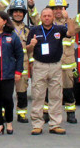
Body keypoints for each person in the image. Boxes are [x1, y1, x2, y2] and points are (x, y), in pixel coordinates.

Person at [0, 0, 40, 123]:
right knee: (5, 93)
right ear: (11, 13)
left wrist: (32, 7)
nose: (18, 14)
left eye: (21, 12)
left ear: (24, 14)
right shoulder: (5, 28)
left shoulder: (28, 30)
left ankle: (21, 113)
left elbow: (39, 23)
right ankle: (2, 115)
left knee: (22, 92)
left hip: (22, 65)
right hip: (6, 65)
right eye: (15, 11)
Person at [26, 7, 75, 135]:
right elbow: (28, 49)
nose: (47, 18)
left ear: (53, 17)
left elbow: (71, 32)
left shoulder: (59, 29)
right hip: (40, 66)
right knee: (38, 95)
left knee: (56, 96)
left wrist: (68, 18)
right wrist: (31, 44)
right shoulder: (35, 30)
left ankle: (55, 124)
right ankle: (37, 124)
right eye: (44, 16)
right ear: (41, 18)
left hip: (55, 66)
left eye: (49, 15)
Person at [43, 0, 79, 124]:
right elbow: (35, 17)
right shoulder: (48, 24)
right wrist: (31, 6)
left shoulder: (71, 22)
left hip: (67, 65)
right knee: (49, 90)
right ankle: (46, 113)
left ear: (65, 9)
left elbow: (73, 30)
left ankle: (70, 113)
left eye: (60, 8)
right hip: (52, 63)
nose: (58, 11)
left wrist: (67, 18)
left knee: (69, 90)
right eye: (55, 8)